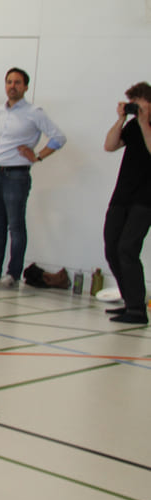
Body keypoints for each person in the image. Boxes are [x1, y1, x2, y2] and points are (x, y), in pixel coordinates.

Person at [0, 67, 66, 290]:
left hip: (16, 175)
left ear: (25, 87)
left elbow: (59, 137)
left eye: (17, 82)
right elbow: (0, 136)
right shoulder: (1, 110)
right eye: (9, 82)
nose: (12, 86)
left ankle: (12, 275)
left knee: (15, 227)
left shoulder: (34, 112)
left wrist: (38, 156)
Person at [101, 82, 151, 325]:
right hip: (122, 195)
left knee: (127, 248)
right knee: (112, 248)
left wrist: (144, 122)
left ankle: (138, 310)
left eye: (140, 100)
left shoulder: (146, 125)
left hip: (146, 199)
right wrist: (121, 120)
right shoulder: (132, 126)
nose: (136, 105)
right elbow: (110, 145)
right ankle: (130, 301)